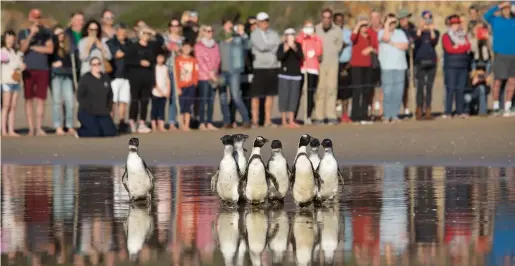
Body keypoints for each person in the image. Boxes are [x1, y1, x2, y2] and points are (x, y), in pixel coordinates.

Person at [18, 9, 54, 136]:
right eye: (34, 17)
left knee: (40, 99)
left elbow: (50, 49)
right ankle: (31, 128)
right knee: (28, 99)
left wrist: (34, 48)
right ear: (30, 17)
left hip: (43, 68)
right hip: (28, 69)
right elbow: (22, 49)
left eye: (38, 17)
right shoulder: (23, 32)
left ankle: (39, 128)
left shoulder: (46, 32)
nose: (36, 20)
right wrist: (31, 35)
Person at [217, 17, 251, 129]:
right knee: (222, 97)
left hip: (234, 72)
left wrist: (242, 35)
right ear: (223, 26)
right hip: (222, 71)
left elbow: (248, 45)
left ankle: (246, 120)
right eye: (226, 24)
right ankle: (227, 121)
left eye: (230, 25)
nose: (228, 27)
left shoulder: (238, 39)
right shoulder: (219, 39)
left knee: (236, 96)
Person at [125, 26, 160, 133]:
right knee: (135, 100)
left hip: (147, 77)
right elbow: (128, 60)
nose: (146, 35)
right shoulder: (133, 46)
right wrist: (139, 62)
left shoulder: (151, 47)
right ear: (139, 34)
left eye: (147, 34)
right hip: (135, 77)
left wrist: (151, 31)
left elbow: (160, 41)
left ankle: (142, 122)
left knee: (145, 101)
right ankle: (132, 121)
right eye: (144, 33)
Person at [250, 12, 281, 128]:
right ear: (257, 22)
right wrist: (271, 46)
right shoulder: (254, 34)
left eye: (266, 20)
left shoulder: (274, 33)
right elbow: (261, 46)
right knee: (256, 96)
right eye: (262, 21)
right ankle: (255, 121)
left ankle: (268, 120)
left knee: (270, 95)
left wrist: (269, 46)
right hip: (259, 67)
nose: (264, 23)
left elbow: (277, 46)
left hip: (272, 67)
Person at [484, 1, 515, 116]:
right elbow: (486, 16)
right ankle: (496, 107)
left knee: (512, 81)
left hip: (514, 55)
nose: (507, 10)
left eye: (509, 8)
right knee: (498, 81)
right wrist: (499, 5)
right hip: (500, 54)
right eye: (505, 8)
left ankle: (508, 106)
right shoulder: (496, 20)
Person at [313, 8, 343, 125]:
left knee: (332, 89)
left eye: (328, 18)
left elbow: (339, 45)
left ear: (331, 19)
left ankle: (331, 115)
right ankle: (319, 116)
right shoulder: (316, 29)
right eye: (324, 17)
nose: (326, 20)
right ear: (321, 18)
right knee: (320, 90)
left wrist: (333, 52)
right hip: (319, 64)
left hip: (332, 63)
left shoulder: (337, 30)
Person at [378, 14, 409, 122]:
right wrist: (386, 25)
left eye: (394, 23)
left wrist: (392, 43)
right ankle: (387, 115)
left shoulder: (400, 33)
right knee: (387, 90)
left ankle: (395, 114)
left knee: (398, 91)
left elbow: (405, 46)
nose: (392, 25)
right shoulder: (382, 32)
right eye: (390, 23)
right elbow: (385, 38)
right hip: (387, 66)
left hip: (400, 66)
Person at [76, 56, 117, 137]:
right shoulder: (85, 78)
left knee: (110, 133)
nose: (97, 66)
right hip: (88, 112)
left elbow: (110, 95)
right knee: (95, 133)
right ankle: (80, 132)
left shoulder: (105, 78)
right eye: (94, 64)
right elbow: (79, 96)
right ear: (91, 66)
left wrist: (110, 109)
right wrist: (87, 108)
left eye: (98, 64)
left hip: (103, 112)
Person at [350, 15, 378, 124]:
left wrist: (370, 48)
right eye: (363, 26)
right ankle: (355, 114)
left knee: (367, 90)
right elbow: (352, 38)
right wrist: (359, 24)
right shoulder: (356, 35)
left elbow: (376, 47)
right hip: (356, 65)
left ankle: (364, 114)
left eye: (366, 25)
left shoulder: (371, 35)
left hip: (368, 65)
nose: (365, 28)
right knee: (357, 90)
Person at [442, 14, 471, 118]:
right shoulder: (446, 36)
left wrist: (458, 48)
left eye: (458, 23)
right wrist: (459, 48)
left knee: (461, 89)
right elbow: (449, 49)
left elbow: (468, 46)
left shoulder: (463, 35)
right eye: (454, 24)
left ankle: (460, 111)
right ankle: (448, 112)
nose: (456, 26)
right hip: (451, 66)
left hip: (463, 65)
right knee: (450, 89)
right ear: (450, 25)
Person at [413, 10, 440, 120]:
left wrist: (432, 30)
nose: (427, 20)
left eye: (429, 18)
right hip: (420, 62)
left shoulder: (436, 32)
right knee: (420, 87)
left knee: (429, 87)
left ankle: (428, 109)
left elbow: (434, 42)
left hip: (431, 62)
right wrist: (420, 30)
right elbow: (416, 43)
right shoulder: (418, 32)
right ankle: (419, 109)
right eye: (425, 18)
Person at [51, 26, 77, 136]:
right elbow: (48, 59)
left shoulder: (68, 47)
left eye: (61, 33)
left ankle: (69, 125)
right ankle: (58, 126)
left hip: (67, 76)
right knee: (57, 102)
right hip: (56, 76)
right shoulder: (52, 47)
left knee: (70, 102)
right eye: (57, 34)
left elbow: (72, 62)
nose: (60, 35)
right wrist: (53, 64)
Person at [296, 20, 323, 124]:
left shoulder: (317, 39)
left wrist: (313, 39)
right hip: (302, 67)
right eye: (306, 27)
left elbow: (319, 51)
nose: (308, 29)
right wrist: (303, 35)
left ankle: (308, 115)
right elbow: (298, 44)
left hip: (313, 68)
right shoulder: (300, 38)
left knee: (310, 92)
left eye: (310, 27)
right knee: (298, 92)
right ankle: (294, 115)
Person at [195, 24, 221, 130]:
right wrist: (209, 73)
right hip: (203, 76)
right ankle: (202, 122)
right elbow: (200, 61)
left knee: (211, 100)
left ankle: (209, 121)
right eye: (208, 31)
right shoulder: (199, 45)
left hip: (214, 75)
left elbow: (218, 59)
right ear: (203, 32)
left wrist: (214, 72)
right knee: (203, 100)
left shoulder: (215, 45)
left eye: (211, 31)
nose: (210, 33)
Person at [106, 23, 131, 132]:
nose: (123, 33)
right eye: (120, 31)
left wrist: (126, 52)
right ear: (116, 31)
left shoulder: (129, 42)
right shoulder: (111, 42)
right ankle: (110, 122)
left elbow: (130, 53)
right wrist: (127, 52)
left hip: (126, 76)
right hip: (115, 75)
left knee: (124, 101)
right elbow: (117, 54)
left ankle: (121, 122)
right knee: (113, 101)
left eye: (124, 31)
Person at [276, 28, 304, 128]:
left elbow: (301, 56)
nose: (290, 36)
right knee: (284, 97)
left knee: (293, 97)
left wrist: (294, 48)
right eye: (288, 34)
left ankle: (291, 120)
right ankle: (284, 120)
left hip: (295, 75)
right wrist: (286, 49)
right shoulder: (281, 46)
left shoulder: (298, 45)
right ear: (285, 36)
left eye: (292, 34)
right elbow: (279, 57)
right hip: (284, 75)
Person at [1, 30, 25, 136]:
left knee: (13, 106)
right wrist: (19, 65)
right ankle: (4, 130)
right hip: (6, 81)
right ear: (4, 39)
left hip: (16, 81)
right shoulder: (2, 51)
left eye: (12, 38)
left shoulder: (16, 52)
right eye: (8, 38)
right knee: (6, 106)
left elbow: (20, 64)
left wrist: (22, 66)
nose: (10, 40)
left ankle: (11, 129)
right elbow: (9, 63)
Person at [163, 18, 184, 130]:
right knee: (170, 95)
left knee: (178, 95)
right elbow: (165, 46)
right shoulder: (165, 38)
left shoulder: (182, 39)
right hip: (168, 68)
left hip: (180, 69)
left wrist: (179, 49)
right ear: (169, 27)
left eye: (177, 25)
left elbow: (185, 50)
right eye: (172, 25)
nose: (175, 27)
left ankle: (178, 120)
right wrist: (172, 46)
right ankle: (170, 122)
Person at [174, 42, 199, 131]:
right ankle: (181, 124)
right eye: (185, 47)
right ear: (182, 48)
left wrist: (194, 83)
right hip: (181, 86)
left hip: (191, 86)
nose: (186, 49)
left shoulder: (193, 60)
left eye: (188, 47)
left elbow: (196, 73)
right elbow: (176, 74)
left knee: (188, 105)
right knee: (181, 105)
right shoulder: (178, 60)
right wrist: (177, 86)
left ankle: (187, 125)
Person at [397, 9, 417, 117]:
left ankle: (415, 107)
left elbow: (416, 39)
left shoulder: (412, 29)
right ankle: (405, 108)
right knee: (403, 86)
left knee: (412, 84)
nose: (406, 20)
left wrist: (413, 44)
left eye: (406, 18)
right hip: (401, 60)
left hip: (412, 59)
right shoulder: (397, 30)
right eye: (403, 18)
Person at [335, 13, 353, 123]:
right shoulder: (332, 33)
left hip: (347, 63)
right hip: (335, 63)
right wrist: (341, 46)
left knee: (346, 92)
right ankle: (332, 115)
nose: (340, 22)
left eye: (341, 20)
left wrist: (349, 64)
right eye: (337, 20)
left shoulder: (348, 33)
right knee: (334, 91)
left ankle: (345, 115)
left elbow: (352, 48)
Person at [151, 52, 171, 132]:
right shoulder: (154, 67)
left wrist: (168, 90)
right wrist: (159, 90)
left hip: (164, 91)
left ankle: (161, 126)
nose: (160, 59)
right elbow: (154, 80)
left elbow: (167, 79)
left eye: (161, 58)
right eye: (158, 58)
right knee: (154, 109)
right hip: (155, 92)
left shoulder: (165, 68)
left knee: (162, 109)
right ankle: (154, 126)